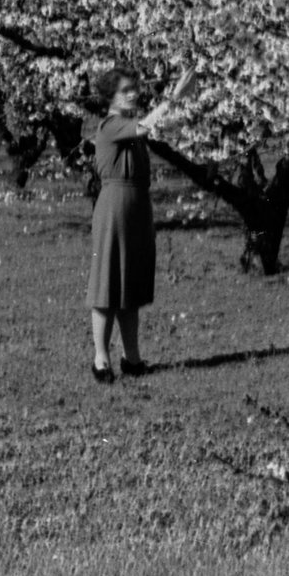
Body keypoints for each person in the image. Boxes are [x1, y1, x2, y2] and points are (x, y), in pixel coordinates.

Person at [86, 61, 199, 383]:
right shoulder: (112, 125)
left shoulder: (129, 126)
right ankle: (101, 359)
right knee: (107, 284)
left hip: (136, 205)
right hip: (115, 206)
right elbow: (147, 126)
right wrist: (174, 96)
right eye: (125, 91)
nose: (133, 95)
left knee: (130, 286)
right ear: (111, 96)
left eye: (134, 89)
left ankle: (132, 358)